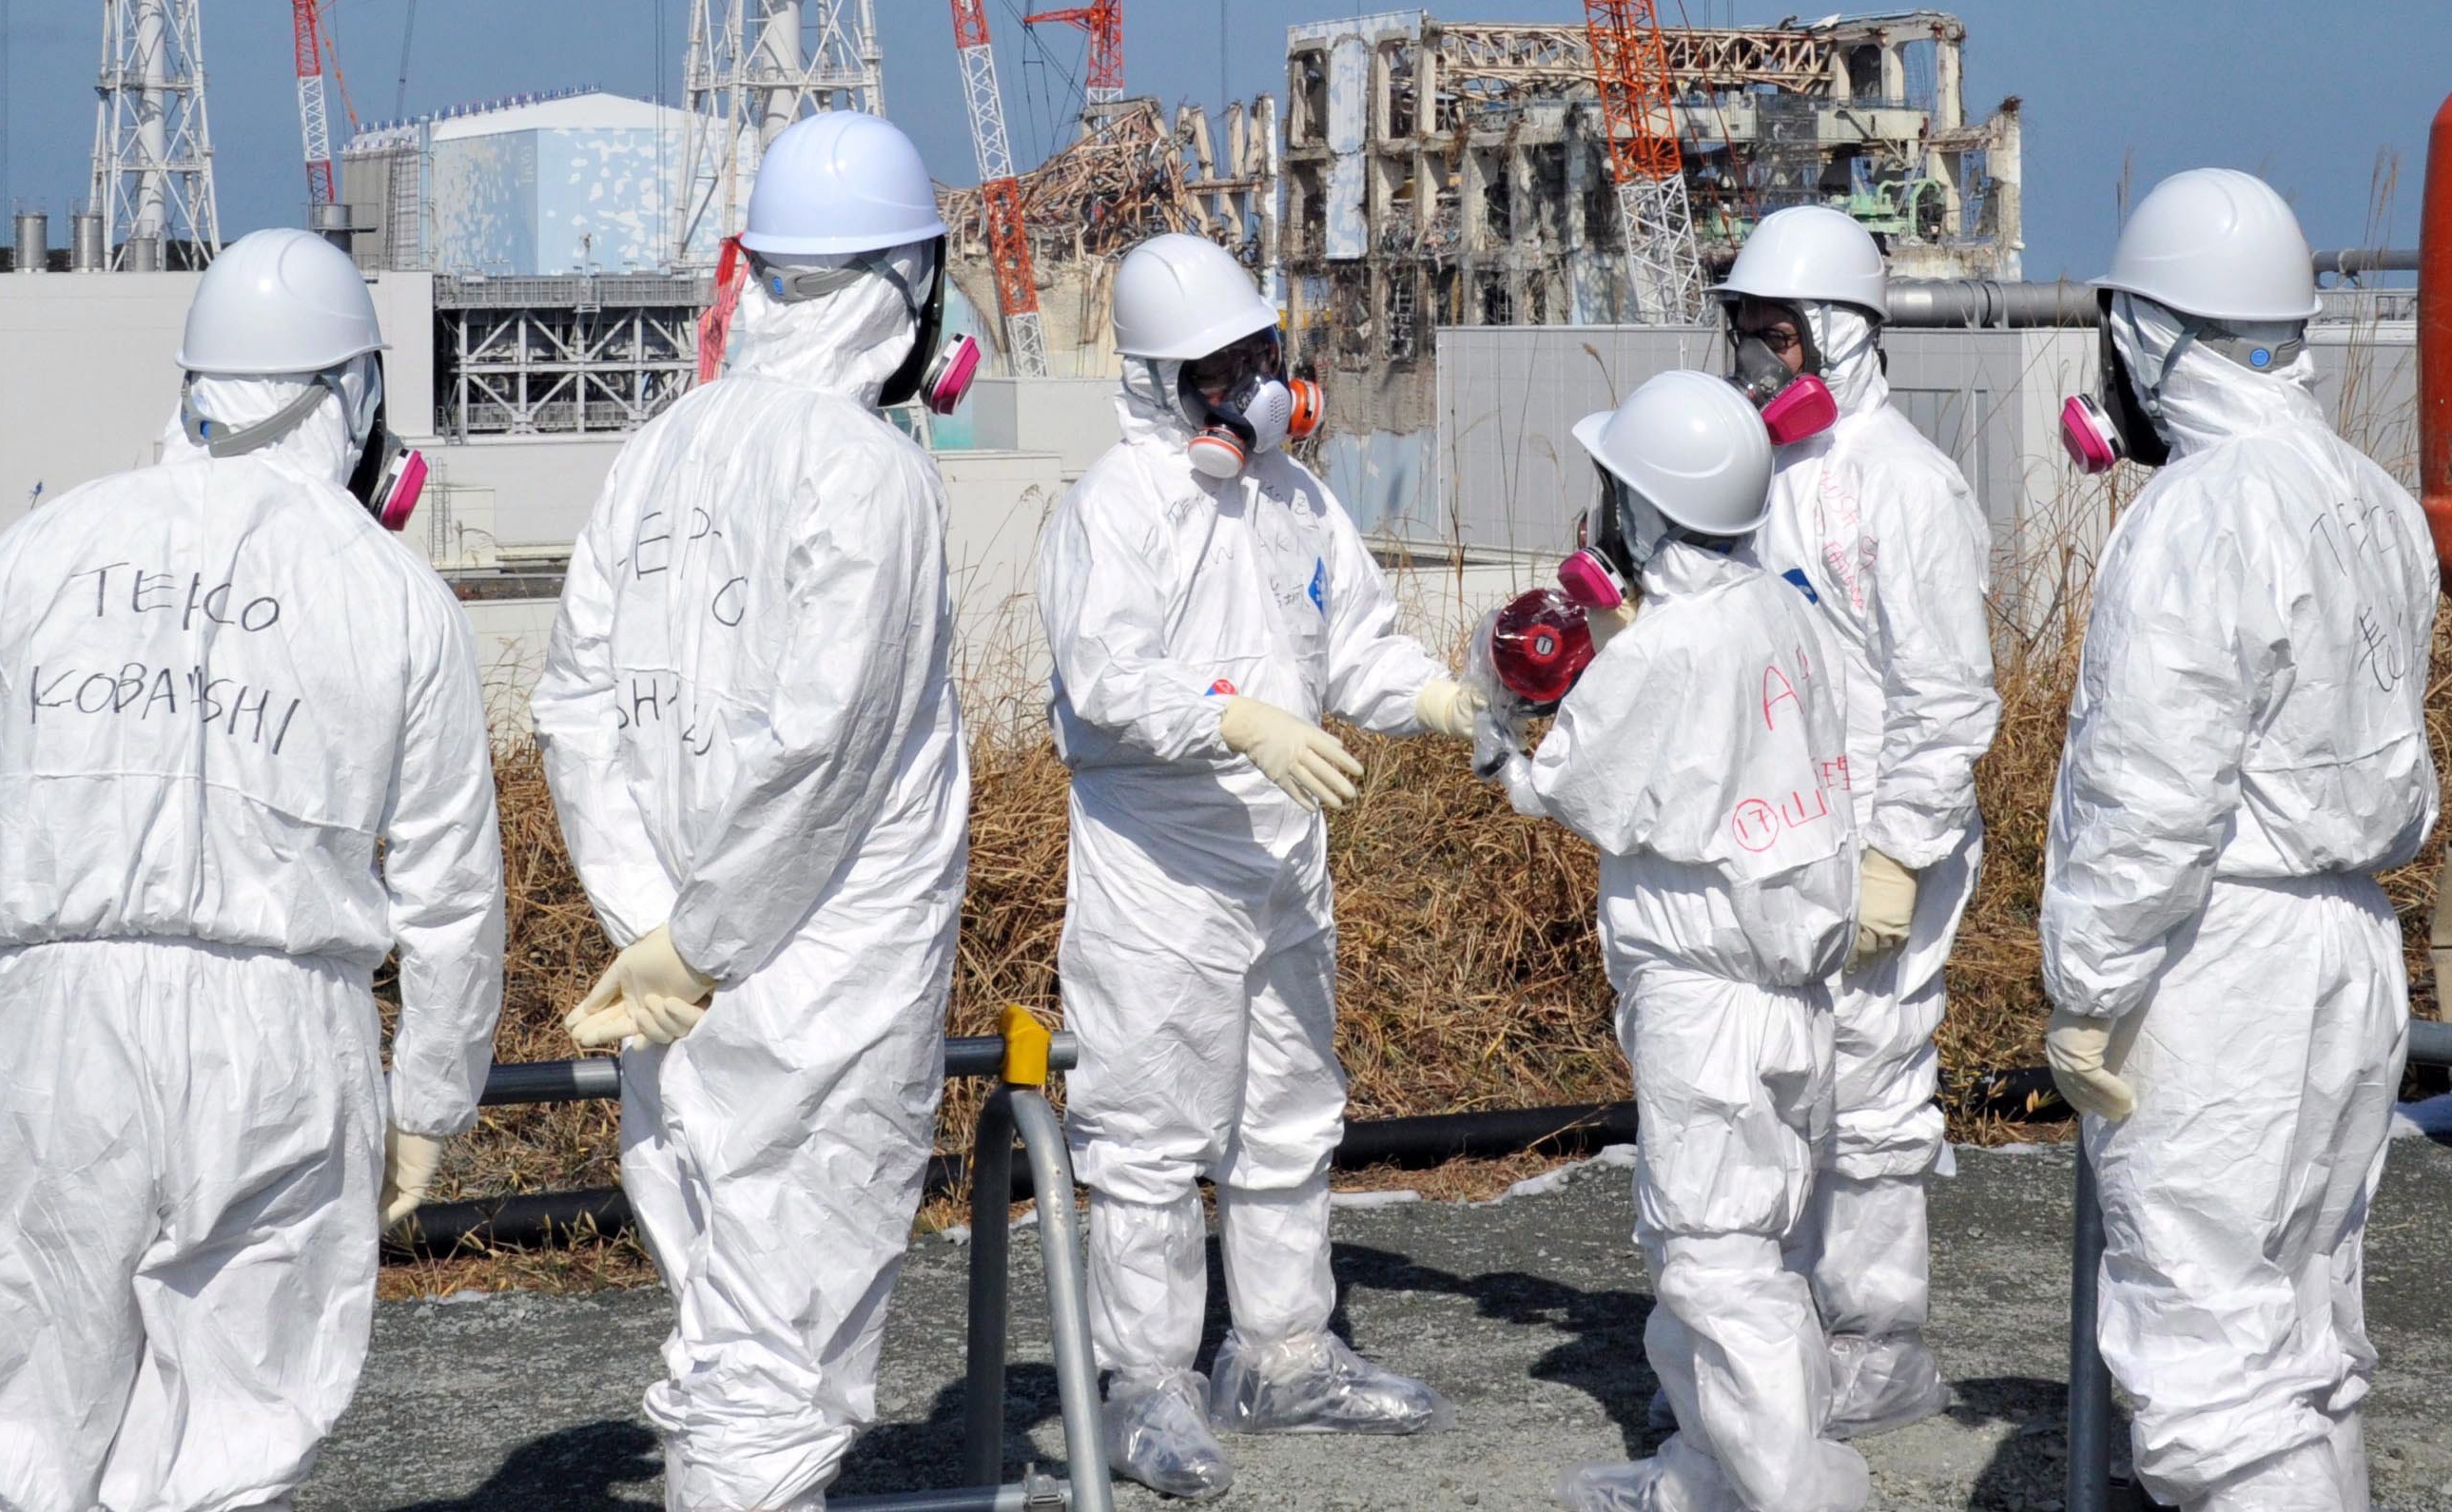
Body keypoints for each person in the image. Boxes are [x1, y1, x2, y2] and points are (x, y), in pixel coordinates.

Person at [0, 226, 506, 1512]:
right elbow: (450, 883)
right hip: (280, 1045)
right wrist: (432, 1097)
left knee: (18, 1447)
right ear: (353, 396)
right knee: (233, 1445)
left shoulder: (42, 553)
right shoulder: (388, 592)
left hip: (50, 1033)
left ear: (192, 384)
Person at [534, 108, 970, 1512]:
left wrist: (651, 926)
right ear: (908, 285)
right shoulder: (872, 471)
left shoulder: (664, 444)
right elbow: (826, 750)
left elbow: (572, 703)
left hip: (677, 988)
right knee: (779, 1365)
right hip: (820, 982)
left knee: (724, 1325)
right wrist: (709, 937)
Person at [1035, 231, 1473, 1500]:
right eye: (1223, 364)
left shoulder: (1292, 499)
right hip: (1159, 866)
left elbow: (1359, 647)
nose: (1253, 382)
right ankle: (1148, 1388)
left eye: (1258, 354)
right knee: (1149, 1139)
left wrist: (1441, 700)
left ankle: (1283, 1354)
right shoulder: (1111, 509)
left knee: (1288, 1114)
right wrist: (1235, 721)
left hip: (1281, 858)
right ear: (1162, 378)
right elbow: (1107, 679)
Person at [2042, 168, 2437, 1512]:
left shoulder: (2198, 514)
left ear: (2150, 334)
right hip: (2346, 949)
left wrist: (2088, 991)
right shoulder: (2365, 496)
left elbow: (2147, 791)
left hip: (2224, 958)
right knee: (2302, 1340)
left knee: (2208, 1366)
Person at [1487, 370, 1871, 1512]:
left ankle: (1782, 1497)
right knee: (1751, 1255)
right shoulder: (1782, 610)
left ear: (1647, 510)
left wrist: (1493, 721)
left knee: (1713, 1261)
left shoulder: (1665, 652)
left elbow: (1559, 785)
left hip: (1704, 995)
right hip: (1791, 991)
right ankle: (1708, 1478)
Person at [1713, 204, 2001, 1434]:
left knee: (1874, 1094)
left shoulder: (1906, 487)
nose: (1752, 361)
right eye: (1742, 334)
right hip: (1772, 840)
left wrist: (1897, 853)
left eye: (1770, 334)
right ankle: (1792, 1325)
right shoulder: (1755, 474)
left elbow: (1946, 698)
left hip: (1882, 842)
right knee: (1776, 1089)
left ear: (1834, 333)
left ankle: (1876, 1344)